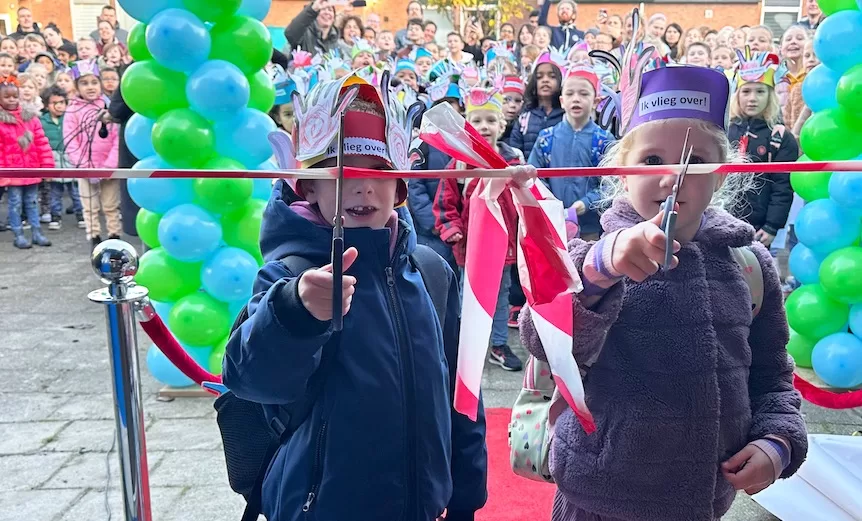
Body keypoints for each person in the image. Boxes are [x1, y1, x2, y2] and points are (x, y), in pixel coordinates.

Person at [520, 58, 807, 521]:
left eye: (695, 161)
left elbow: (773, 376)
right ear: (621, 170)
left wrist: (777, 441)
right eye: (652, 160)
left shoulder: (748, 267)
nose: (672, 176)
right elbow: (542, 338)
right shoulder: (589, 256)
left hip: (702, 501)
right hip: (597, 498)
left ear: (722, 174)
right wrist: (602, 267)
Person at [223, 72, 488, 521]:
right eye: (343, 171)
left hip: (424, 506)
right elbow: (252, 380)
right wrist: (294, 312)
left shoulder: (430, 272)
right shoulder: (289, 274)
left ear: (400, 185)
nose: (364, 186)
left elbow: (463, 392)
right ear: (309, 185)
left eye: (380, 172)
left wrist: (465, 494)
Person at [433, 84, 525, 372]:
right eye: (477, 120)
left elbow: (528, 200)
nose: (484, 127)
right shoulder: (459, 163)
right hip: (470, 246)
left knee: (499, 296)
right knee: (467, 297)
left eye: (490, 120)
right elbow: (445, 203)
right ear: (467, 124)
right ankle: (466, 345)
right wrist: (451, 229)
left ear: (502, 123)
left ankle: (498, 343)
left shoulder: (514, 160)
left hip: (504, 246)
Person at [528, 66, 612, 241]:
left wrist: (586, 203)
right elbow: (535, 178)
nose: (576, 99)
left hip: (591, 226)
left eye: (583, 94)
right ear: (561, 100)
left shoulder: (604, 139)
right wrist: (551, 203)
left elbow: (611, 184)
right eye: (570, 94)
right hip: (552, 223)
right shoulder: (546, 138)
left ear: (596, 101)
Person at [728, 49, 798, 249]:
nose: (752, 98)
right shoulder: (723, 131)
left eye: (760, 92)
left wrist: (771, 226)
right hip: (722, 218)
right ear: (737, 94)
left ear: (770, 95)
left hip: (758, 227)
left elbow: (782, 187)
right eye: (746, 91)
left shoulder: (780, 138)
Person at [63, 61, 121, 247]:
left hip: (108, 168)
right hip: (85, 169)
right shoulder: (72, 111)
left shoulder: (108, 108)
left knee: (111, 205)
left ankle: (114, 237)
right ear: (77, 86)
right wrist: (84, 167)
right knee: (90, 207)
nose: (90, 87)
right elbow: (71, 142)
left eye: (94, 82)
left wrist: (109, 166)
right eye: (84, 83)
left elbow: (116, 139)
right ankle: (94, 237)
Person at [0, 76, 54, 248]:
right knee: (15, 202)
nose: (11, 100)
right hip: (12, 171)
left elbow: (41, 143)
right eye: (7, 97)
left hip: (31, 168)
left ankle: (37, 231)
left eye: (14, 96)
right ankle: (18, 234)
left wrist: (47, 168)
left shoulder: (31, 118)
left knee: (32, 201)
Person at [40, 85, 84, 230]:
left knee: (75, 191)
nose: (59, 106)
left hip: (69, 157)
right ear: (47, 105)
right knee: (55, 192)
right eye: (54, 103)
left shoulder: (70, 118)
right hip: (53, 159)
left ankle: (81, 215)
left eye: (62, 102)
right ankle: (55, 216)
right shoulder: (43, 121)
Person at [508, 51, 564, 159]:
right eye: (539, 77)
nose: (545, 80)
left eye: (552, 76)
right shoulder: (524, 118)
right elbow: (515, 152)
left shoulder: (567, 117)